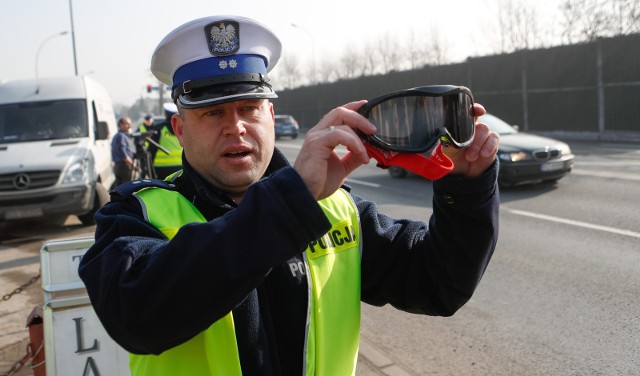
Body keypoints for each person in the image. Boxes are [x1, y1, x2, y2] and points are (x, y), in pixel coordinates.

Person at [79, 15, 500, 376]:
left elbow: (439, 284)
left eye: (249, 107)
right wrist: (291, 201)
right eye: (212, 112)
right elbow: (135, 314)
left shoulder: (337, 209)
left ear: (271, 117)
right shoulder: (134, 214)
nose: (236, 126)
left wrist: (465, 187)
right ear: (180, 130)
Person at [150, 102, 182, 179]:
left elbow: (152, 148)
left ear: (166, 114)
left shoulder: (158, 128)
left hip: (161, 167)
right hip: (180, 165)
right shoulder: (182, 127)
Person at [110, 116, 136, 187]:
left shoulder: (119, 136)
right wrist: (133, 165)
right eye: (127, 124)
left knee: (120, 187)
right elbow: (123, 154)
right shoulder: (121, 136)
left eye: (129, 124)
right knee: (126, 187)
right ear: (121, 125)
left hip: (120, 166)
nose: (129, 126)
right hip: (123, 167)